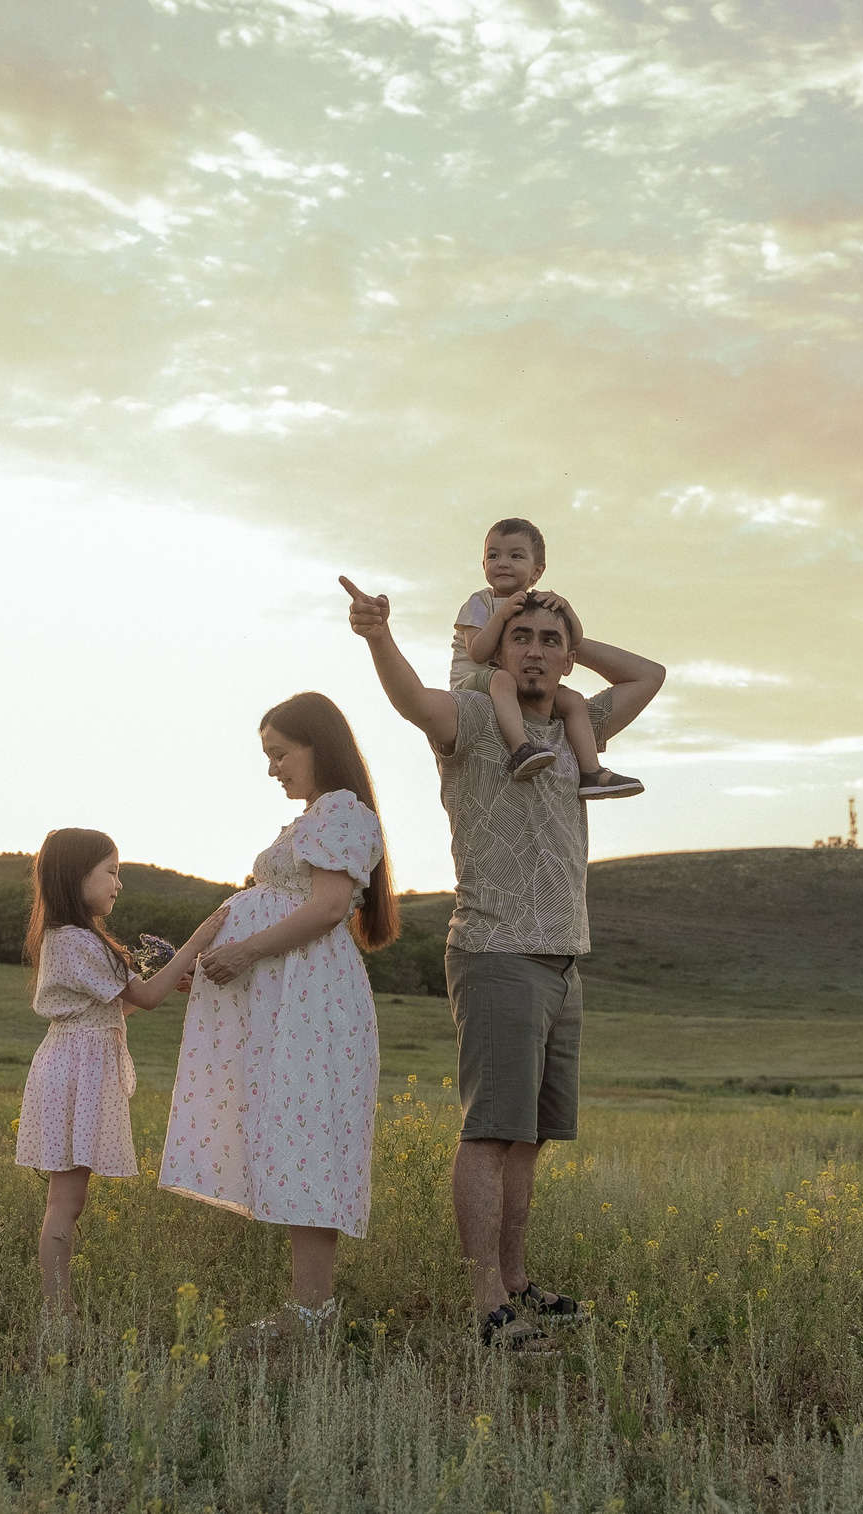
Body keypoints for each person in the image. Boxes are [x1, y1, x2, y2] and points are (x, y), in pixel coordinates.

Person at [344, 573, 665, 1352]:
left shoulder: (573, 723)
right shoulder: (477, 719)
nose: (536, 650)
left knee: (528, 1138)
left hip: (562, 957)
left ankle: (518, 1282)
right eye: (521, 635)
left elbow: (648, 675)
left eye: (551, 643)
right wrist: (378, 636)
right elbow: (414, 701)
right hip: (495, 950)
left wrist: (566, 628)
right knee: (490, 1134)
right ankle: (488, 1305)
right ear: (498, 646)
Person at [158, 692, 397, 1340]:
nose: (273, 770)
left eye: (280, 753)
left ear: (319, 744)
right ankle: (307, 1311)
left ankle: (311, 1318)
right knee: (295, 1144)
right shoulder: (316, 819)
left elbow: (325, 909)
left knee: (309, 1145)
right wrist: (220, 974)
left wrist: (242, 953)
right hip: (293, 998)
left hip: (313, 1005)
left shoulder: (340, 812)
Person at [14, 827, 229, 1318]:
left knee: (68, 1201)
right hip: (75, 1073)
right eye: (111, 871)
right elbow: (147, 1000)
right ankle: (56, 1314)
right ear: (75, 876)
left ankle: (59, 1309)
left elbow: (113, 1010)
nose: (119, 883)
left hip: (74, 1064)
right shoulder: (73, 940)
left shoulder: (78, 939)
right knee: (64, 1204)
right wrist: (199, 940)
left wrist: (164, 981)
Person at [454, 517, 643, 800]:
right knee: (503, 678)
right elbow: (478, 652)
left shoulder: (536, 605)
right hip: (473, 686)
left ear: (537, 571)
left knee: (572, 700)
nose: (502, 562)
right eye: (493, 556)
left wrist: (565, 609)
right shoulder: (479, 603)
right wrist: (503, 615)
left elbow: (574, 638)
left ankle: (591, 771)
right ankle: (522, 748)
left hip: (513, 687)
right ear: (483, 565)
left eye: (515, 556)